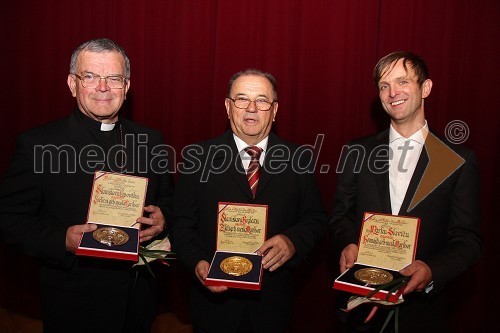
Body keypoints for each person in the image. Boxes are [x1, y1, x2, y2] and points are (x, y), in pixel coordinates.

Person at [0, 38, 174, 333]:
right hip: (73, 300)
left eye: (114, 78)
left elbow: (170, 198)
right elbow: (8, 218)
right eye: (90, 76)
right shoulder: (37, 144)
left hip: (137, 298)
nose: (103, 88)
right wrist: (61, 239)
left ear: (127, 86)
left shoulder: (151, 140)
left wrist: (163, 217)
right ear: (72, 84)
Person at [329, 51, 482, 332]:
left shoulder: (456, 159)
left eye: (402, 82)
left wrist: (432, 270)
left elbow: (467, 239)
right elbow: (340, 216)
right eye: (384, 86)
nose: (392, 93)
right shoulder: (357, 151)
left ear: (425, 88)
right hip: (359, 310)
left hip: (422, 313)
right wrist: (348, 243)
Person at [171, 69, 327, 333]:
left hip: (273, 305)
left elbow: (315, 219)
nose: (252, 108)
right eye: (242, 99)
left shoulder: (299, 158)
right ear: (227, 106)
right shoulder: (198, 157)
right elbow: (182, 224)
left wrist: (292, 242)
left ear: (275, 110)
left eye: (262, 100)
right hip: (214, 305)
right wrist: (198, 263)